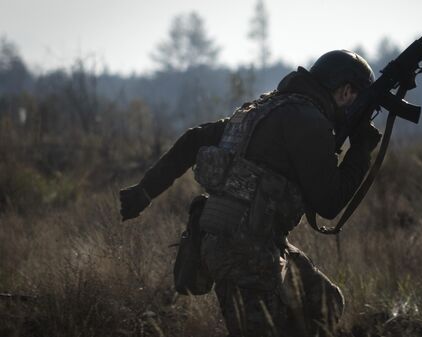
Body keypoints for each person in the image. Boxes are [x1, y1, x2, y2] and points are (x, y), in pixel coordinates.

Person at [119, 50, 381, 337]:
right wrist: (360, 151)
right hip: (243, 252)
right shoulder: (310, 120)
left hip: (251, 241)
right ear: (345, 91)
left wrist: (145, 190)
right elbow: (329, 203)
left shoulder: (263, 108)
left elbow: (194, 139)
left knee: (324, 303)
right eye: (358, 100)